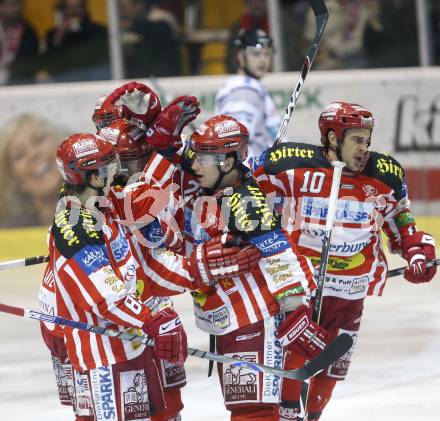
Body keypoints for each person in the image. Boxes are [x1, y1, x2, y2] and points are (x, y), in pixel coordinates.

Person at [251, 101, 438, 420]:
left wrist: (416, 251)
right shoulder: (290, 164)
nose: (364, 148)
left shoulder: (384, 174)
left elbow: (400, 220)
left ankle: (312, 416)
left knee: (334, 364)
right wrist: (260, 171)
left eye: (367, 139)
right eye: (356, 139)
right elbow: (247, 192)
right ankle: (286, 414)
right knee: (293, 353)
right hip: (300, 286)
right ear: (332, 138)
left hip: (350, 292)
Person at [139, 113, 333, 420]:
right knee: (251, 409)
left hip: (254, 320)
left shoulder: (245, 203)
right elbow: (181, 169)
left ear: (228, 163)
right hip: (230, 320)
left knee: (254, 412)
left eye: (203, 158)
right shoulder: (212, 183)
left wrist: (296, 310)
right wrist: (164, 146)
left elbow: (279, 254)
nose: (195, 166)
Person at [49, 132, 188, 420]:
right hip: (104, 356)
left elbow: (147, 196)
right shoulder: (74, 226)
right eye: (108, 169)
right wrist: (151, 320)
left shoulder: (101, 206)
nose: (115, 175)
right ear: (91, 177)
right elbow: (105, 296)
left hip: (126, 345)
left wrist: (164, 152)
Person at [215, 28, 280, 158]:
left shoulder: (250, 87)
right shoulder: (244, 91)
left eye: (267, 54)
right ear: (240, 56)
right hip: (254, 174)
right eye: (256, 54)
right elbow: (235, 144)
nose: (263, 60)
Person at [0, 113, 67, 227]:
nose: (33, 154)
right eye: (19, 155)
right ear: (14, 181)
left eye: (39, 140)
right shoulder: (9, 234)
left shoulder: (103, 210)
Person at [38, 0, 109, 82]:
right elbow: (48, 60)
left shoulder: (98, 31)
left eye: (77, 7)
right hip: (63, 79)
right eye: (69, 8)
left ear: (84, 9)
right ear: (63, 11)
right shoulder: (53, 35)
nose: (73, 12)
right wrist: (59, 35)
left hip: (92, 78)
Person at [0, 0, 39, 84]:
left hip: (16, 83)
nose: (18, 8)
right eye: (13, 4)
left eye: (20, 4)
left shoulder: (28, 33)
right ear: (1, 7)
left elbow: (28, 66)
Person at [225, 0, 268, 73]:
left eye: (261, 1)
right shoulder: (237, 29)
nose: (256, 4)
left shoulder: (279, 26)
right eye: (251, 1)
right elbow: (232, 62)